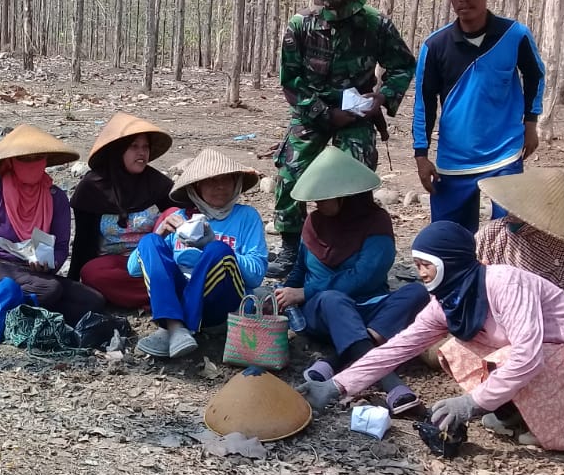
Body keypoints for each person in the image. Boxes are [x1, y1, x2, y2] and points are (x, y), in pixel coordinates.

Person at [299, 221, 564, 452]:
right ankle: (514, 412)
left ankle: (557, 419)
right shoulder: (447, 301)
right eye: (418, 265)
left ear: (449, 262)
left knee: (511, 358)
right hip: (541, 352)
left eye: (428, 265)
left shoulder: (504, 284)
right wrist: (337, 385)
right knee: (456, 349)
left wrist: (471, 403)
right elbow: (398, 347)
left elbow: (528, 356)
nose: (421, 274)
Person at [271, 0, 416, 278]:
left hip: (358, 112)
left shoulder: (376, 24)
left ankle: (350, 244)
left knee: (355, 175)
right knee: (290, 171)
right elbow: (292, 83)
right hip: (313, 109)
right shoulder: (301, 25)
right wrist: (325, 113)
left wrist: (383, 96)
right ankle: (291, 247)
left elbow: (403, 64)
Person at [273, 147, 429, 414]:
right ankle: (392, 385)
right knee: (333, 300)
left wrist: (305, 291)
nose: (317, 205)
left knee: (416, 292)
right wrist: (286, 291)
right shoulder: (313, 222)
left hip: (368, 306)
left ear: (345, 197)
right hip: (323, 311)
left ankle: (338, 359)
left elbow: (363, 277)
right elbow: (300, 268)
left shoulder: (376, 223)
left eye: (324, 199)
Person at [413, 0, 546, 231]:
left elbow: (536, 76)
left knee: (510, 233)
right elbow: (424, 101)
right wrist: (421, 154)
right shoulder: (434, 45)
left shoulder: (515, 34)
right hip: (454, 159)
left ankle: (502, 275)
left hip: (504, 154)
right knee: (449, 238)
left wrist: (531, 124)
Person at [129, 148, 269, 359]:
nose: (220, 186)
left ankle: (176, 325)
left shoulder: (247, 217)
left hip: (221, 305)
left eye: (226, 180)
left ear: (236, 183)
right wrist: (160, 232)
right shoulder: (180, 219)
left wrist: (209, 243)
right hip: (179, 299)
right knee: (150, 241)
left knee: (217, 249)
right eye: (211, 181)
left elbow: (256, 274)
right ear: (196, 188)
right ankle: (176, 328)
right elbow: (132, 269)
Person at [0, 125, 106, 324]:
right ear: (11, 162)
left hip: (36, 274)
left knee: (93, 301)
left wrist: (48, 265)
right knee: (50, 290)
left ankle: (22, 315)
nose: (32, 164)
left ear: (46, 160)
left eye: (37, 158)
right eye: (24, 159)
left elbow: (61, 247)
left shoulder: (56, 198)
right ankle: (8, 310)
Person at [68, 113, 175, 308]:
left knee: (173, 212)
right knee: (91, 273)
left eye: (145, 147)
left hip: (152, 261)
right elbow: (82, 242)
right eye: (134, 146)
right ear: (118, 151)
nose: (141, 153)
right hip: (113, 265)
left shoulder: (158, 184)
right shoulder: (92, 187)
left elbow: (182, 219)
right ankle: (165, 293)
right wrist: (72, 283)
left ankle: (160, 291)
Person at [476, 168, 564, 313]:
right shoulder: (493, 232)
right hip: (500, 304)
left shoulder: (562, 241)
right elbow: (473, 269)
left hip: (555, 310)